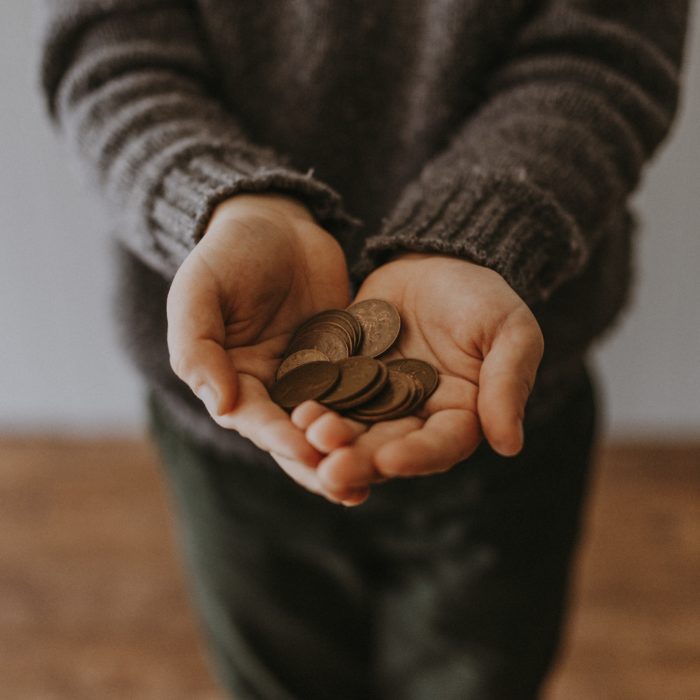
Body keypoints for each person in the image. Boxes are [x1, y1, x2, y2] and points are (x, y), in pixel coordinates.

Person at [39, 1, 689, 698]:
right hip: (234, 419)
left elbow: (604, 51)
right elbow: (106, 49)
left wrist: (481, 228)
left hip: (502, 393)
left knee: (485, 678)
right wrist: (223, 201)